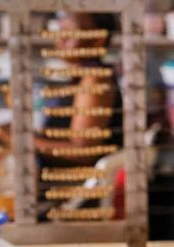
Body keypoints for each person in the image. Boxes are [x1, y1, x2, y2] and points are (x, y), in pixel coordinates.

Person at [36, 11, 121, 167]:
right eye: (60, 31)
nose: (61, 39)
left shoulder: (95, 80)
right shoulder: (81, 78)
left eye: (70, 33)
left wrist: (22, 141)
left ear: (97, 40)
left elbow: (83, 152)